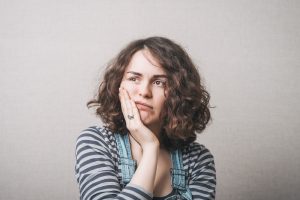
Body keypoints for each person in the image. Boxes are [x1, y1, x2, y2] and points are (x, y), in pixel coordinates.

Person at [75, 36, 216, 200]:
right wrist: (150, 148)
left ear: (180, 93)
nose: (144, 92)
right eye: (134, 78)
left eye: (159, 82)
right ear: (118, 85)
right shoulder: (96, 142)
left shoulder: (198, 160)